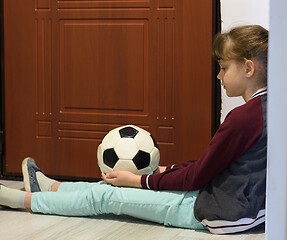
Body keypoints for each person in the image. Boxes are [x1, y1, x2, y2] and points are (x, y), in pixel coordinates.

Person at [0, 25, 268, 235]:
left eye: (223, 68)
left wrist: (140, 181)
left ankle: (20, 200)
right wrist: (168, 170)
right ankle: (52, 187)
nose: (219, 77)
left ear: (248, 68)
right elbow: (212, 165)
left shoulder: (242, 117)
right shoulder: (270, 109)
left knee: (106, 197)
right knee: (120, 185)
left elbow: (198, 176)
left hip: (219, 213)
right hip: (238, 205)